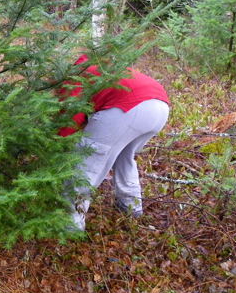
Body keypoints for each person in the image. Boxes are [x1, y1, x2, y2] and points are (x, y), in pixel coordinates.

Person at [58, 54, 169, 231]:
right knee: (124, 155)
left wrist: (57, 145)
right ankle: (130, 207)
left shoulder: (75, 76)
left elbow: (70, 117)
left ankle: (69, 225)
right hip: (160, 106)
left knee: (87, 160)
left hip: (129, 106)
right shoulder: (101, 66)